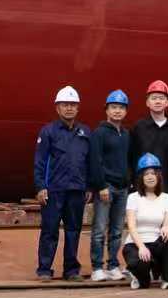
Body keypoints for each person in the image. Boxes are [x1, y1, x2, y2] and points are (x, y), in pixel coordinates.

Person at [33, 85, 92, 280]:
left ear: (78, 108)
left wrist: (89, 186)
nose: (69, 108)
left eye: (73, 105)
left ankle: (71, 270)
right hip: (54, 189)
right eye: (65, 105)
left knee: (73, 231)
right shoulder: (48, 132)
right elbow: (40, 161)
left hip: (77, 189)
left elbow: (89, 162)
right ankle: (44, 269)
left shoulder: (85, 132)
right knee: (49, 230)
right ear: (57, 108)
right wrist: (41, 186)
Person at [88, 89, 131, 282]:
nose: (117, 111)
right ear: (106, 110)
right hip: (106, 188)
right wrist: (101, 186)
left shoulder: (126, 135)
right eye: (113, 107)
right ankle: (97, 267)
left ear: (126, 111)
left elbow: (128, 161)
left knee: (116, 230)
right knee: (99, 229)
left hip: (122, 189)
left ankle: (113, 265)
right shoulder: (99, 133)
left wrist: (128, 183)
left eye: (121, 108)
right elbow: (95, 161)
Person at [122, 153, 168, 289]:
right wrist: (141, 247)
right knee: (140, 272)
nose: (150, 177)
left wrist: (166, 228)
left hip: (157, 243)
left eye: (153, 173)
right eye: (146, 174)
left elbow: (167, 223)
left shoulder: (166, 198)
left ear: (158, 175)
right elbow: (132, 227)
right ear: (141, 177)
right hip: (136, 244)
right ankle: (141, 276)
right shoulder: (133, 198)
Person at [128, 80, 168, 194]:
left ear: (167, 102)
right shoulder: (138, 127)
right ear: (147, 102)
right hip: (143, 187)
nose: (158, 101)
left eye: (161, 98)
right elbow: (131, 157)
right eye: (154, 98)